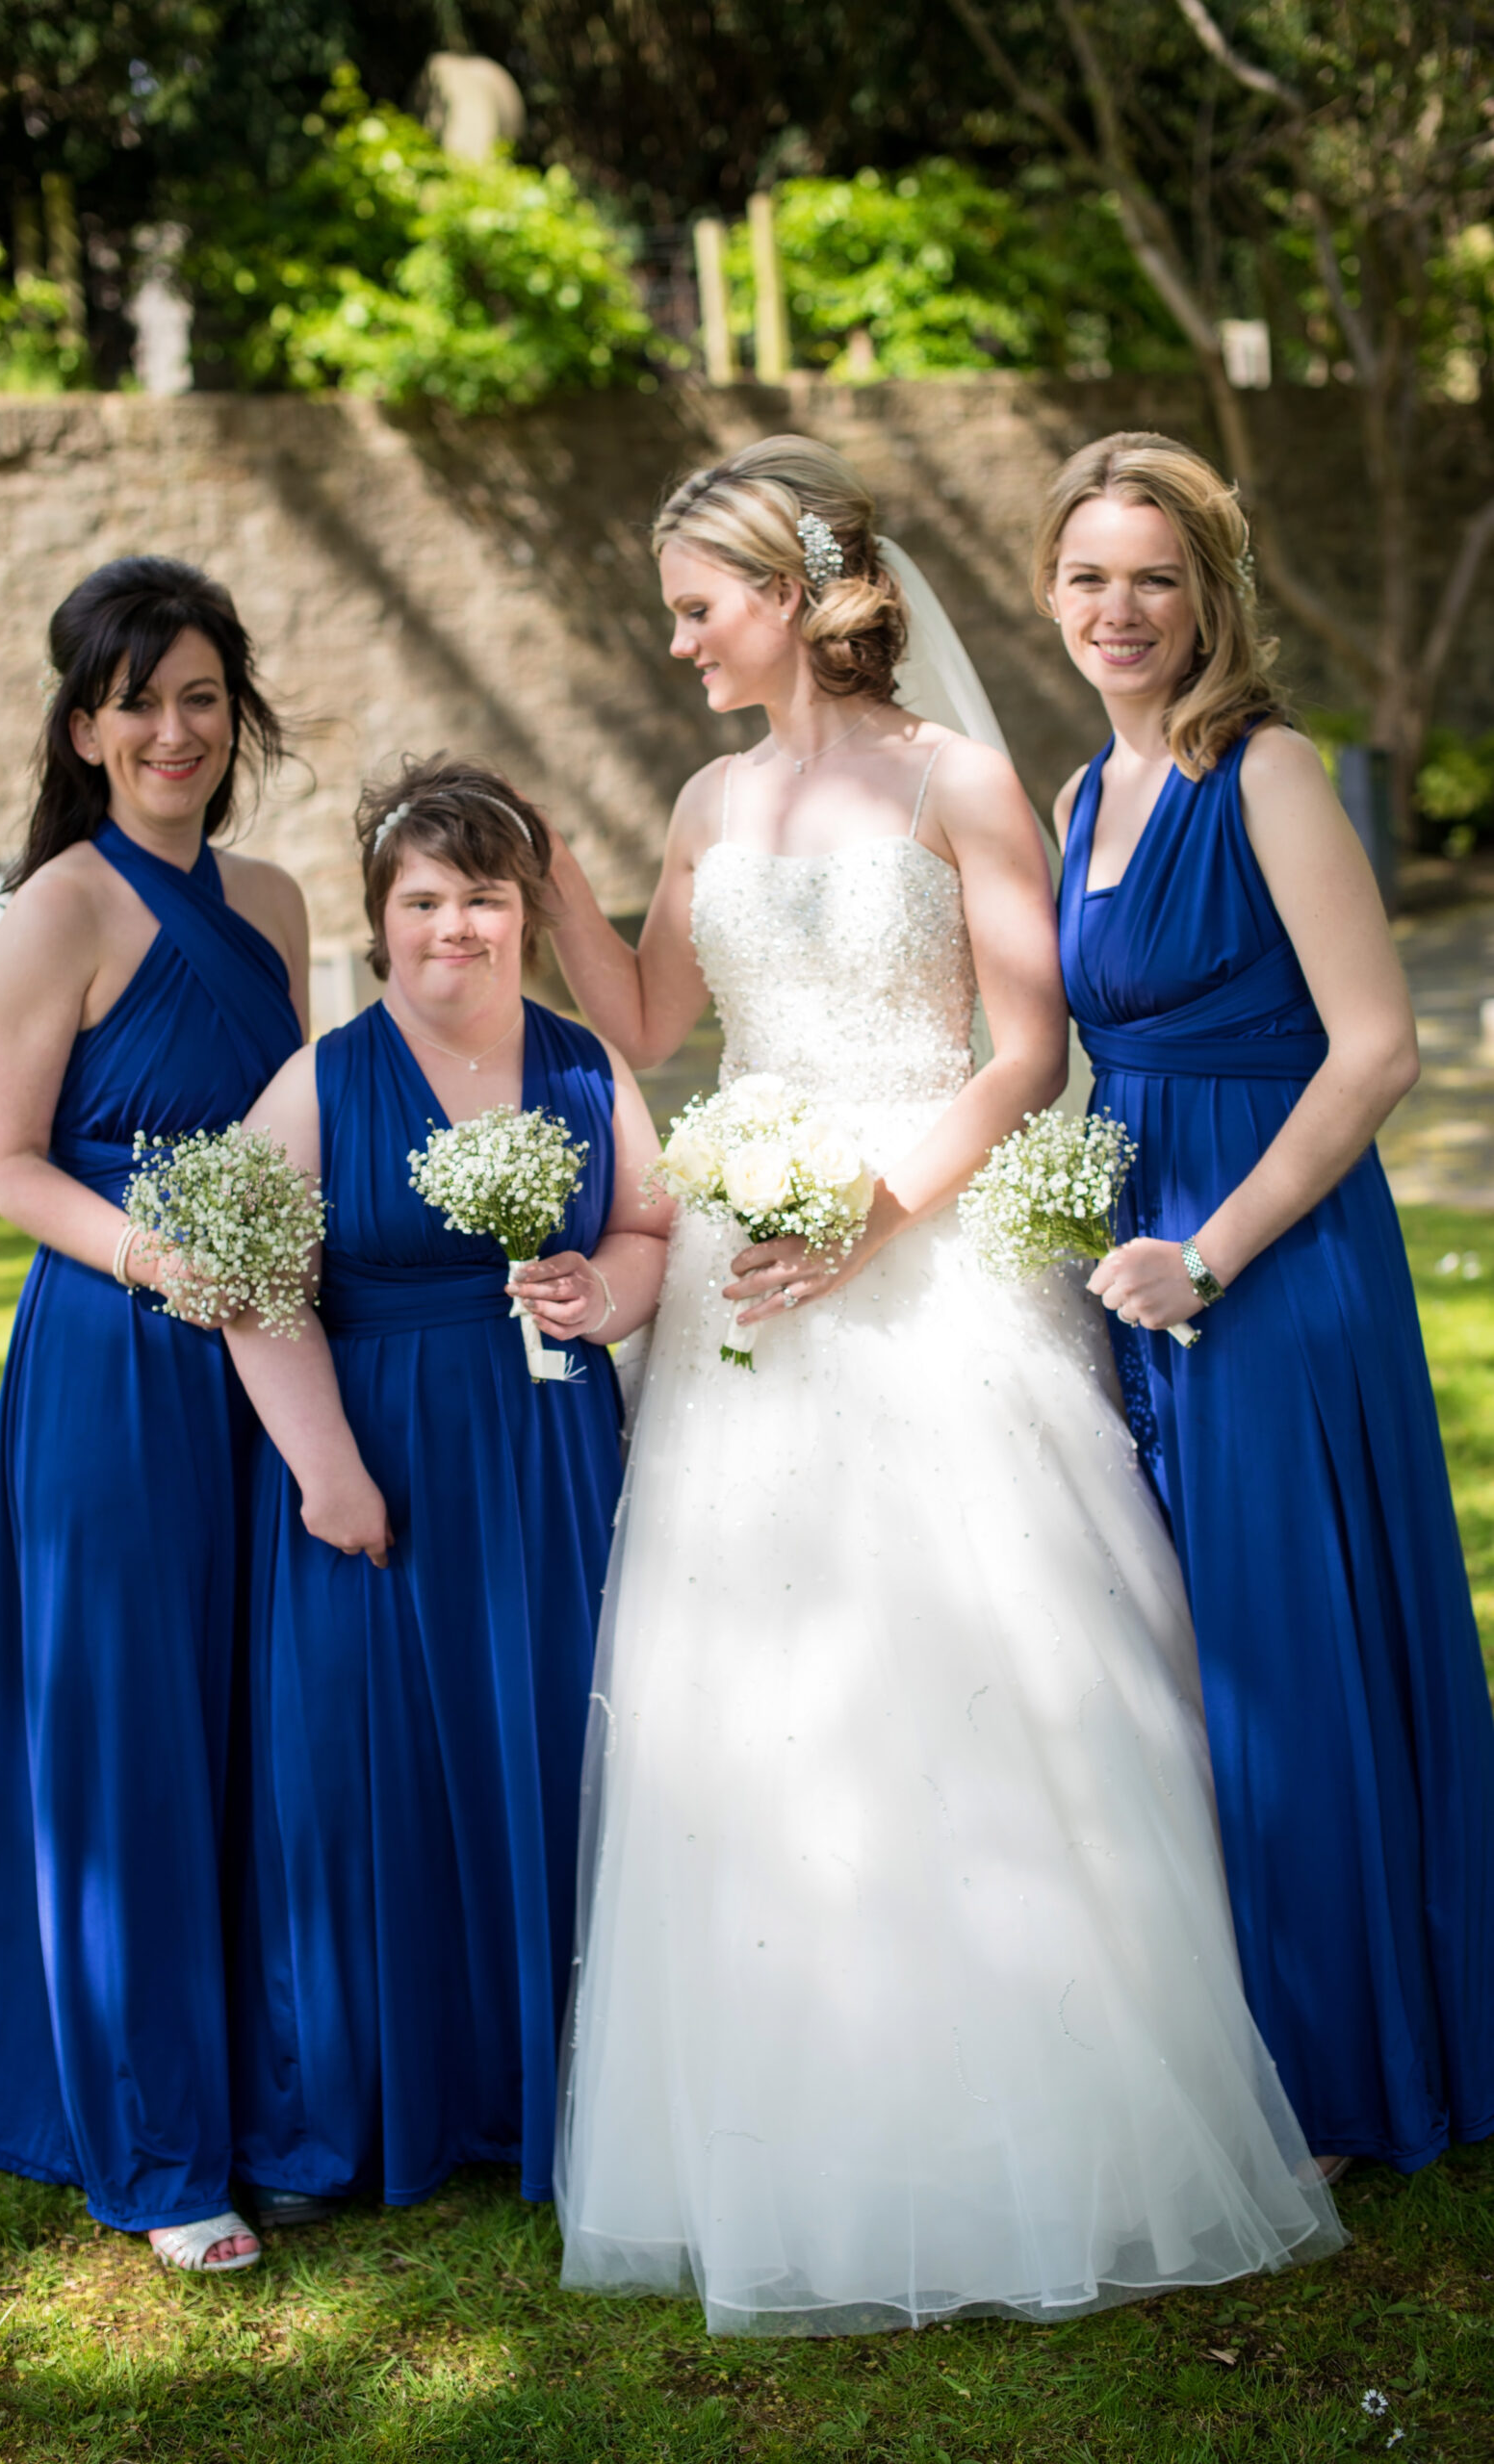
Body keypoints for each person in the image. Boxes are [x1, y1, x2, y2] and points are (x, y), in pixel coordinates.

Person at [548, 434, 1342, 2335]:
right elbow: (660, 1022)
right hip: (755, 1283)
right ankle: (813, 2105)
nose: (678, 646)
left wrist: (885, 1206)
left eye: (696, 608)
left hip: (929, 1256)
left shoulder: (955, 773)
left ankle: (1061, 2103)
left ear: (795, 593)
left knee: (985, 1656)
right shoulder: (705, 794)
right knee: (768, 1691)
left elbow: (1023, 1040)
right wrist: (557, 889)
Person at [1045, 429, 1494, 2178]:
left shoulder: (1271, 772)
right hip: (1138, 1248)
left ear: (1210, 593)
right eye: (1090, 575)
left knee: (1293, 1639)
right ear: (1050, 592)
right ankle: (1243, 2027)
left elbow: (1376, 1048)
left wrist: (1210, 1251)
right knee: (1195, 1648)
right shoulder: (1083, 800)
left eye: (1155, 575)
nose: (1122, 608)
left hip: (1270, 1257)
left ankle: (1347, 2064)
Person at [0, 556, 307, 2273]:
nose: (172, 729)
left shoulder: (279, 905)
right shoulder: (57, 908)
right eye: (138, 699)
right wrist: (161, 1263)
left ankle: (281, 2092)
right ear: (85, 723)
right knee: (132, 1726)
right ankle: (152, 2145)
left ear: (238, 716)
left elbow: (306, 1117)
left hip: (273, 1346)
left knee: (267, 1716)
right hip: (118, 1345)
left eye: (201, 696)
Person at [219, 757, 671, 2223]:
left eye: (483, 898)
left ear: (526, 913)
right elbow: (248, 1285)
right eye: (425, 899)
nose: (454, 929)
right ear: (379, 916)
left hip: (542, 1460)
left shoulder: (581, 1065)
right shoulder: (319, 1080)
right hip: (379, 1461)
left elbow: (650, 1227)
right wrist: (327, 1469)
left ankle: (544, 2093)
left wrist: (603, 1288)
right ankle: (362, 2105)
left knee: (544, 1753)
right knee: (365, 1780)